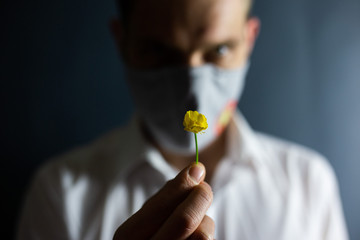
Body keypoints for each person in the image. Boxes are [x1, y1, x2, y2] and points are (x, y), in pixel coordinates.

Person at [16, 0, 349, 239]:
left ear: (249, 40)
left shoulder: (307, 185)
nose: (193, 91)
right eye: (159, 52)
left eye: (218, 50)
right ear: (122, 42)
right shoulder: (61, 194)